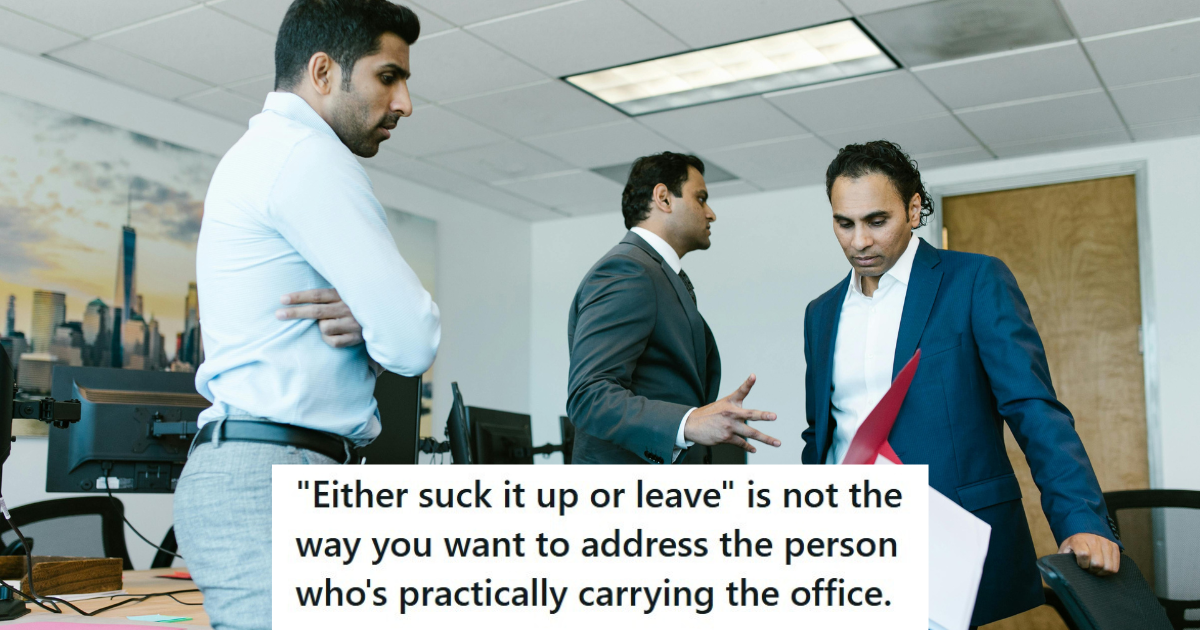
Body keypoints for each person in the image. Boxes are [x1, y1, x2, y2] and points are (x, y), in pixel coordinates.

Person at [174, 1, 439, 628]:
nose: (404, 102)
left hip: (282, 470)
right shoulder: (306, 155)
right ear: (323, 72)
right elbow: (412, 338)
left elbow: (393, 332)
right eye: (387, 77)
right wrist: (381, 326)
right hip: (274, 476)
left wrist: (370, 322)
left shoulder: (267, 153)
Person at [801, 140, 1120, 626]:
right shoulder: (820, 314)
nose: (858, 241)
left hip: (953, 539)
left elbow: (1033, 408)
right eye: (844, 223)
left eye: (876, 221)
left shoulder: (974, 281)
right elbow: (824, 432)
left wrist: (1081, 521)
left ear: (912, 210)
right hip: (852, 545)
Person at [567, 152, 780, 465]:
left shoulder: (657, 274)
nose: (711, 214)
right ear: (664, 198)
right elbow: (589, 396)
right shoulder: (627, 270)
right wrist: (687, 423)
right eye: (701, 198)